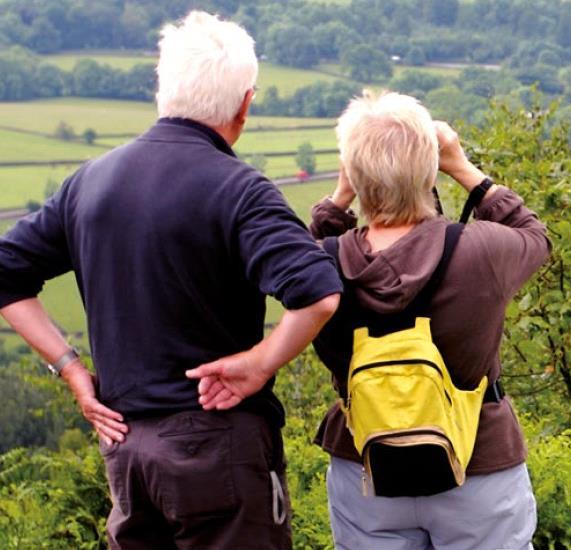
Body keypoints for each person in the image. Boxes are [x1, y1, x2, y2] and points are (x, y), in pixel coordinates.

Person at [0, 11, 341, 549]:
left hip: (127, 448)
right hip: (220, 449)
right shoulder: (241, 190)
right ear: (245, 103)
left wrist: (70, 371)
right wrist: (259, 363)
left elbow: (6, 275)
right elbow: (318, 294)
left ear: (164, 89)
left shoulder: (89, 182)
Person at [306, 91, 551, 549]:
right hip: (478, 462)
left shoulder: (322, 263)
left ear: (354, 173)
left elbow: (289, 262)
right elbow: (535, 235)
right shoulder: (481, 251)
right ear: (430, 168)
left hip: (365, 466)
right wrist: (462, 167)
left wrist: (339, 196)